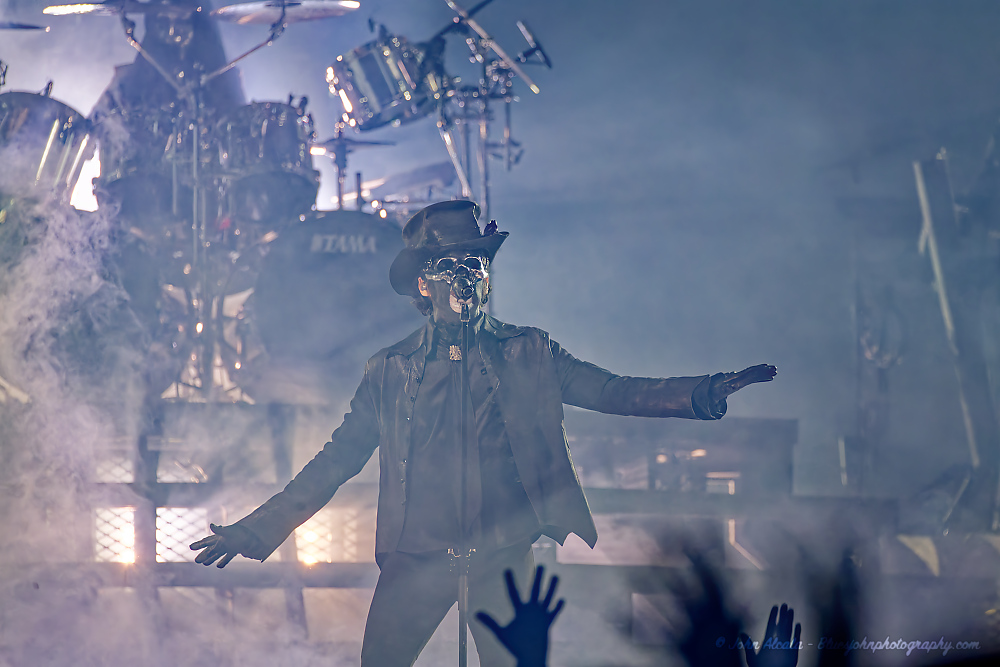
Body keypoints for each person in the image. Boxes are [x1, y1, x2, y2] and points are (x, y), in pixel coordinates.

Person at [190, 200, 778, 667]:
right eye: (452, 267)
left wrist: (700, 392)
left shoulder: (530, 351)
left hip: (501, 556)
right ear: (424, 285)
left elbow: (611, 390)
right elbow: (334, 462)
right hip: (416, 561)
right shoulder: (388, 370)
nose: (468, 278)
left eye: (477, 265)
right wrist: (257, 527)